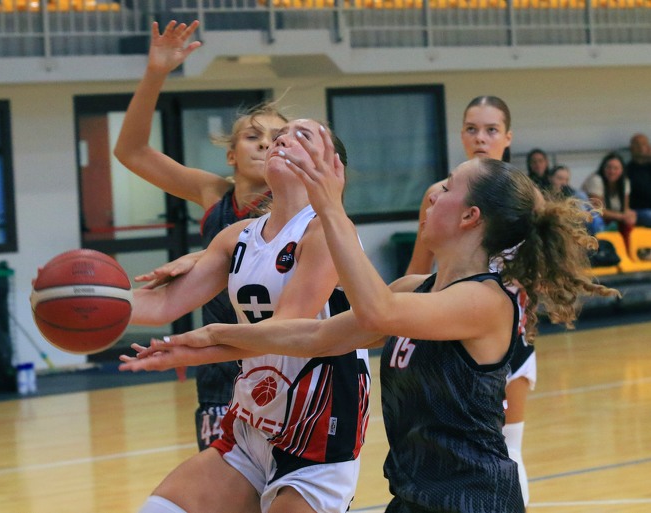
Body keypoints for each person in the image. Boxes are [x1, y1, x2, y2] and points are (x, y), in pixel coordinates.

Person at [122, 147, 619, 512]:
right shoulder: (416, 289)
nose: (433, 194)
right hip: (412, 497)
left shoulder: (486, 302)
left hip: (473, 500)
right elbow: (312, 336)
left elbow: (377, 310)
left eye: (448, 188)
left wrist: (329, 205)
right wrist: (206, 340)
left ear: (471, 217)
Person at [121, 115, 370, 513]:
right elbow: (163, 304)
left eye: (301, 136)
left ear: (330, 166)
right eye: (280, 136)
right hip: (252, 422)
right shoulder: (237, 236)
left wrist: (197, 347)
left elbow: (283, 331)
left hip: (317, 428)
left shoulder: (327, 231)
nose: (281, 141)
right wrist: (86, 300)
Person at [113, 19, 288, 451]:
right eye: (253, 136)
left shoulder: (295, 207)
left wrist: (197, 257)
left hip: (282, 366)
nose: (264, 144)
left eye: (276, 138)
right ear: (231, 155)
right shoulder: (214, 194)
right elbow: (131, 152)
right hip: (218, 370)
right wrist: (156, 73)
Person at [405, 95, 535, 505]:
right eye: (472, 129)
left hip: (508, 338)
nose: (481, 138)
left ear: (508, 137)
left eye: (491, 130)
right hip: (448, 331)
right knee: (447, 443)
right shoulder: (440, 196)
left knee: (508, 445)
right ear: (461, 134)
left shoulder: (525, 199)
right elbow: (418, 269)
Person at [581, 151, 637, 251]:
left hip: (614, 217)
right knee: (597, 220)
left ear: (622, 170)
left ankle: (629, 252)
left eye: (616, 168)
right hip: (594, 218)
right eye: (609, 167)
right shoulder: (596, 180)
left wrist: (630, 215)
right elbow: (598, 210)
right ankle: (603, 251)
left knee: (631, 220)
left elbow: (625, 208)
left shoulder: (625, 182)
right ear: (603, 168)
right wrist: (622, 216)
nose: (612, 171)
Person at [548, 164, 604, 234]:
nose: (564, 183)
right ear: (550, 178)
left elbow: (585, 217)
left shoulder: (578, 195)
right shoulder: (545, 196)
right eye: (560, 179)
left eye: (566, 180)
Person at [626, 133, 651, 229]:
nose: (641, 147)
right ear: (631, 148)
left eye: (644, 144)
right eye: (637, 144)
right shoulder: (627, 170)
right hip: (639, 210)